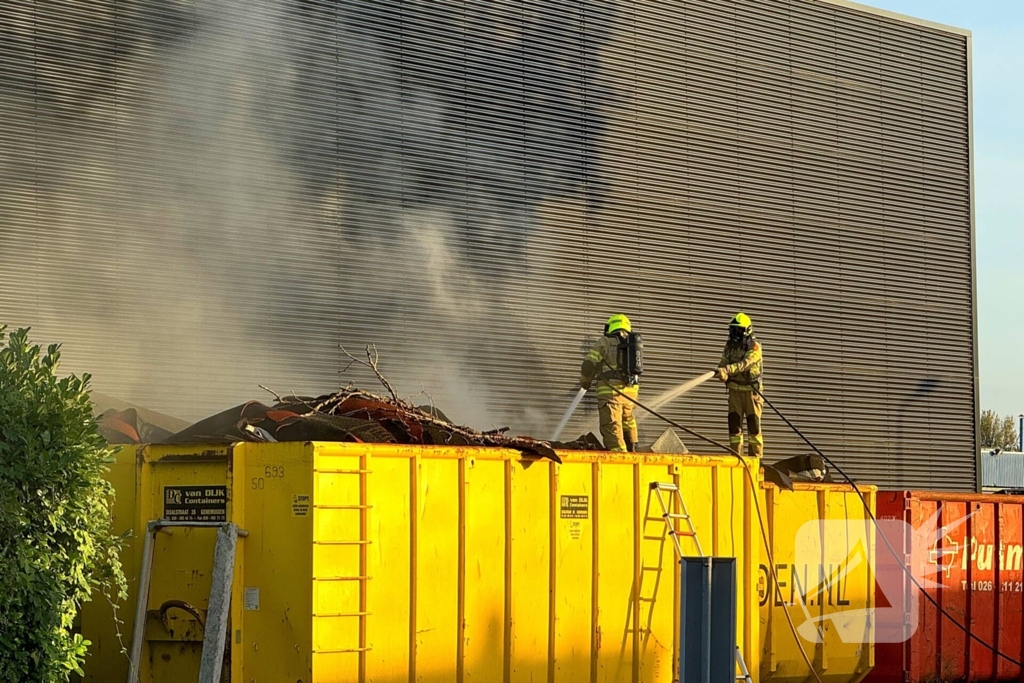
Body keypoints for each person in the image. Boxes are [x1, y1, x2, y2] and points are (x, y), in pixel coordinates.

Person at [581, 314, 639, 452]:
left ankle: (619, 458)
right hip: (631, 392)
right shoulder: (632, 344)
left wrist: (585, 382)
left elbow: (588, 365)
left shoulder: (605, 342)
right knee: (628, 421)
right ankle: (633, 450)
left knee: (612, 425)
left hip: (611, 392)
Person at [715, 312, 764, 458]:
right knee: (734, 426)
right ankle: (737, 458)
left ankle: (756, 460)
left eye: (738, 330)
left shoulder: (754, 347)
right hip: (734, 393)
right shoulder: (729, 346)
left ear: (746, 330)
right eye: (733, 330)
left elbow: (745, 364)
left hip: (751, 393)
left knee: (753, 427)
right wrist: (720, 372)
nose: (735, 333)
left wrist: (728, 370)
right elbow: (724, 361)